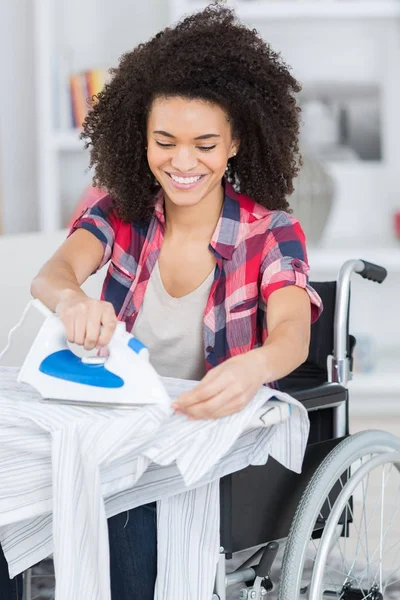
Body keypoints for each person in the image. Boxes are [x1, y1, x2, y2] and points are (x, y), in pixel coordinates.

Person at [18, 3, 323, 598]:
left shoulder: (270, 232)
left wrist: (255, 365)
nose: (183, 163)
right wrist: (71, 300)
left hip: (202, 435)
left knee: (125, 499)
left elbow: (292, 331)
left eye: (205, 144)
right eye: (165, 142)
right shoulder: (120, 214)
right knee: (17, 486)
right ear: (143, 138)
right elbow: (51, 274)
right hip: (123, 422)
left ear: (236, 141)